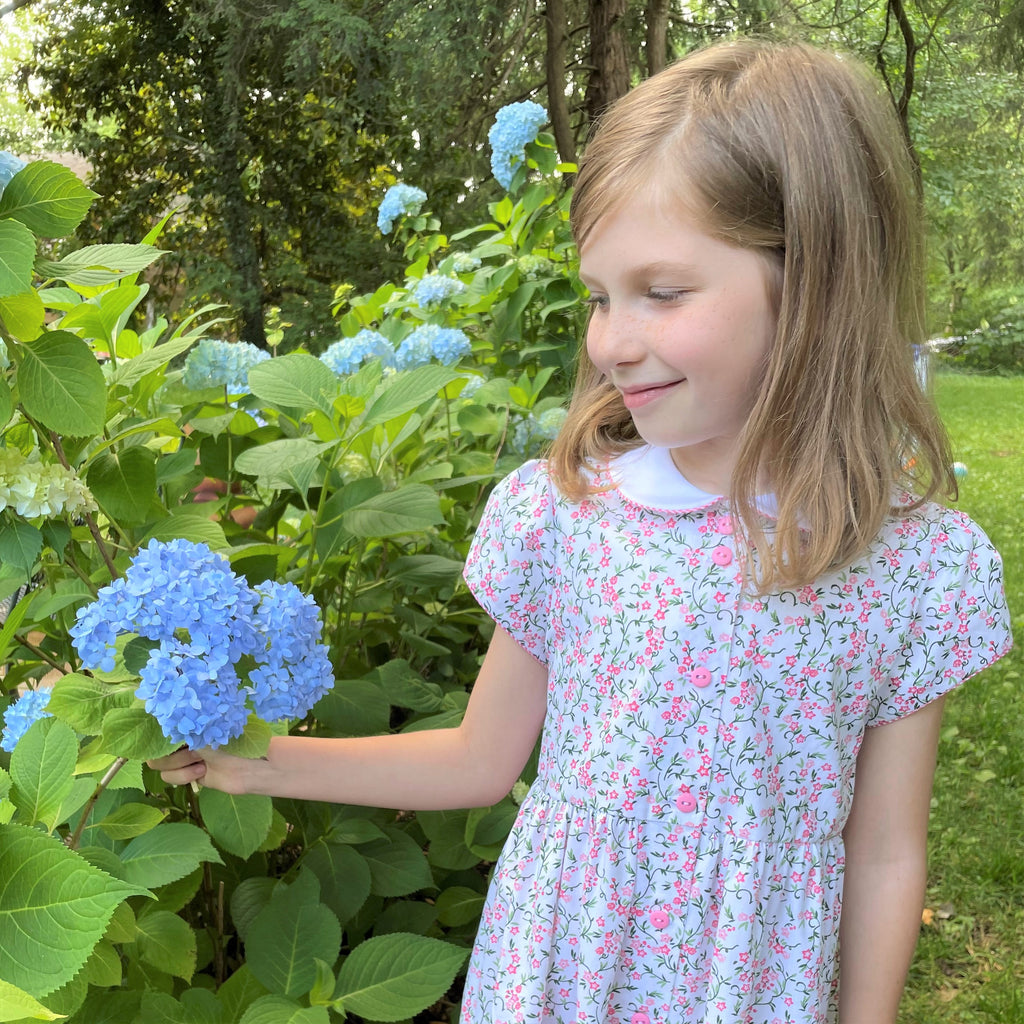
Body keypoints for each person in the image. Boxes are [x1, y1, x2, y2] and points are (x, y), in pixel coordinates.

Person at [151, 37, 1012, 1024]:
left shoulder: (912, 569)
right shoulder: (567, 517)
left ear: (812, 279)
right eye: (600, 295)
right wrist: (257, 760)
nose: (610, 339)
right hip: (561, 974)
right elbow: (481, 757)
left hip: (752, 989)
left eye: (661, 290)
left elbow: (888, 847)